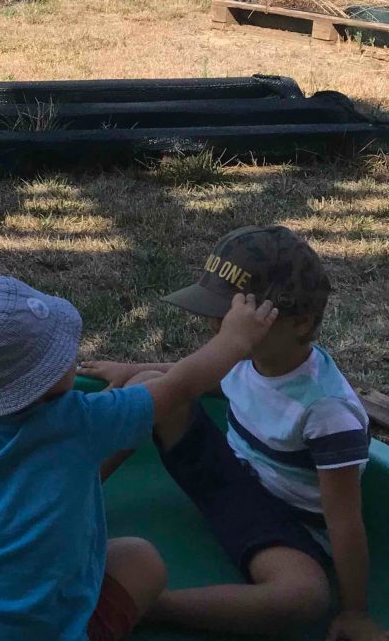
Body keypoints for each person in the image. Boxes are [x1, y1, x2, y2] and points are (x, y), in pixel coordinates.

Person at [0, 275, 280, 641]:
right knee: (142, 560)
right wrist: (234, 340)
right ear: (52, 375)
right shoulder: (87, 420)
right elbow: (180, 387)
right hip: (50, 629)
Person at [84, 227, 382, 641]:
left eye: (232, 318)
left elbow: (345, 524)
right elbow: (192, 380)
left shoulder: (328, 411)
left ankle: (147, 604)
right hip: (229, 480)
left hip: (282, 528)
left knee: (304, 597)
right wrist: (131, 368)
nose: (215, 325)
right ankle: (65, 492)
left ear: (300, 323)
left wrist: (355, 611)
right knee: (147, 384)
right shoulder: (249, 352)